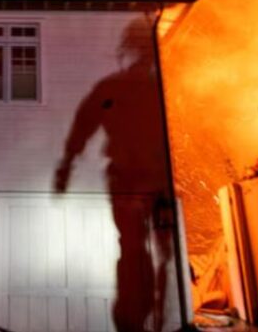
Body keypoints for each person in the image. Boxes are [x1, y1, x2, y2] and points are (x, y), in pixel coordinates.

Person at [54, 17, 173, 332]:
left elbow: (84, 124)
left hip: (135, 180)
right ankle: (145, 319)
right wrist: (66, 164)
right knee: (152, 249)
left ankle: (137, 320)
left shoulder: (114, 88)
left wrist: (66, 165)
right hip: (146, 181)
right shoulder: (144, 90)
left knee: (138, 249)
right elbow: (85, 124)